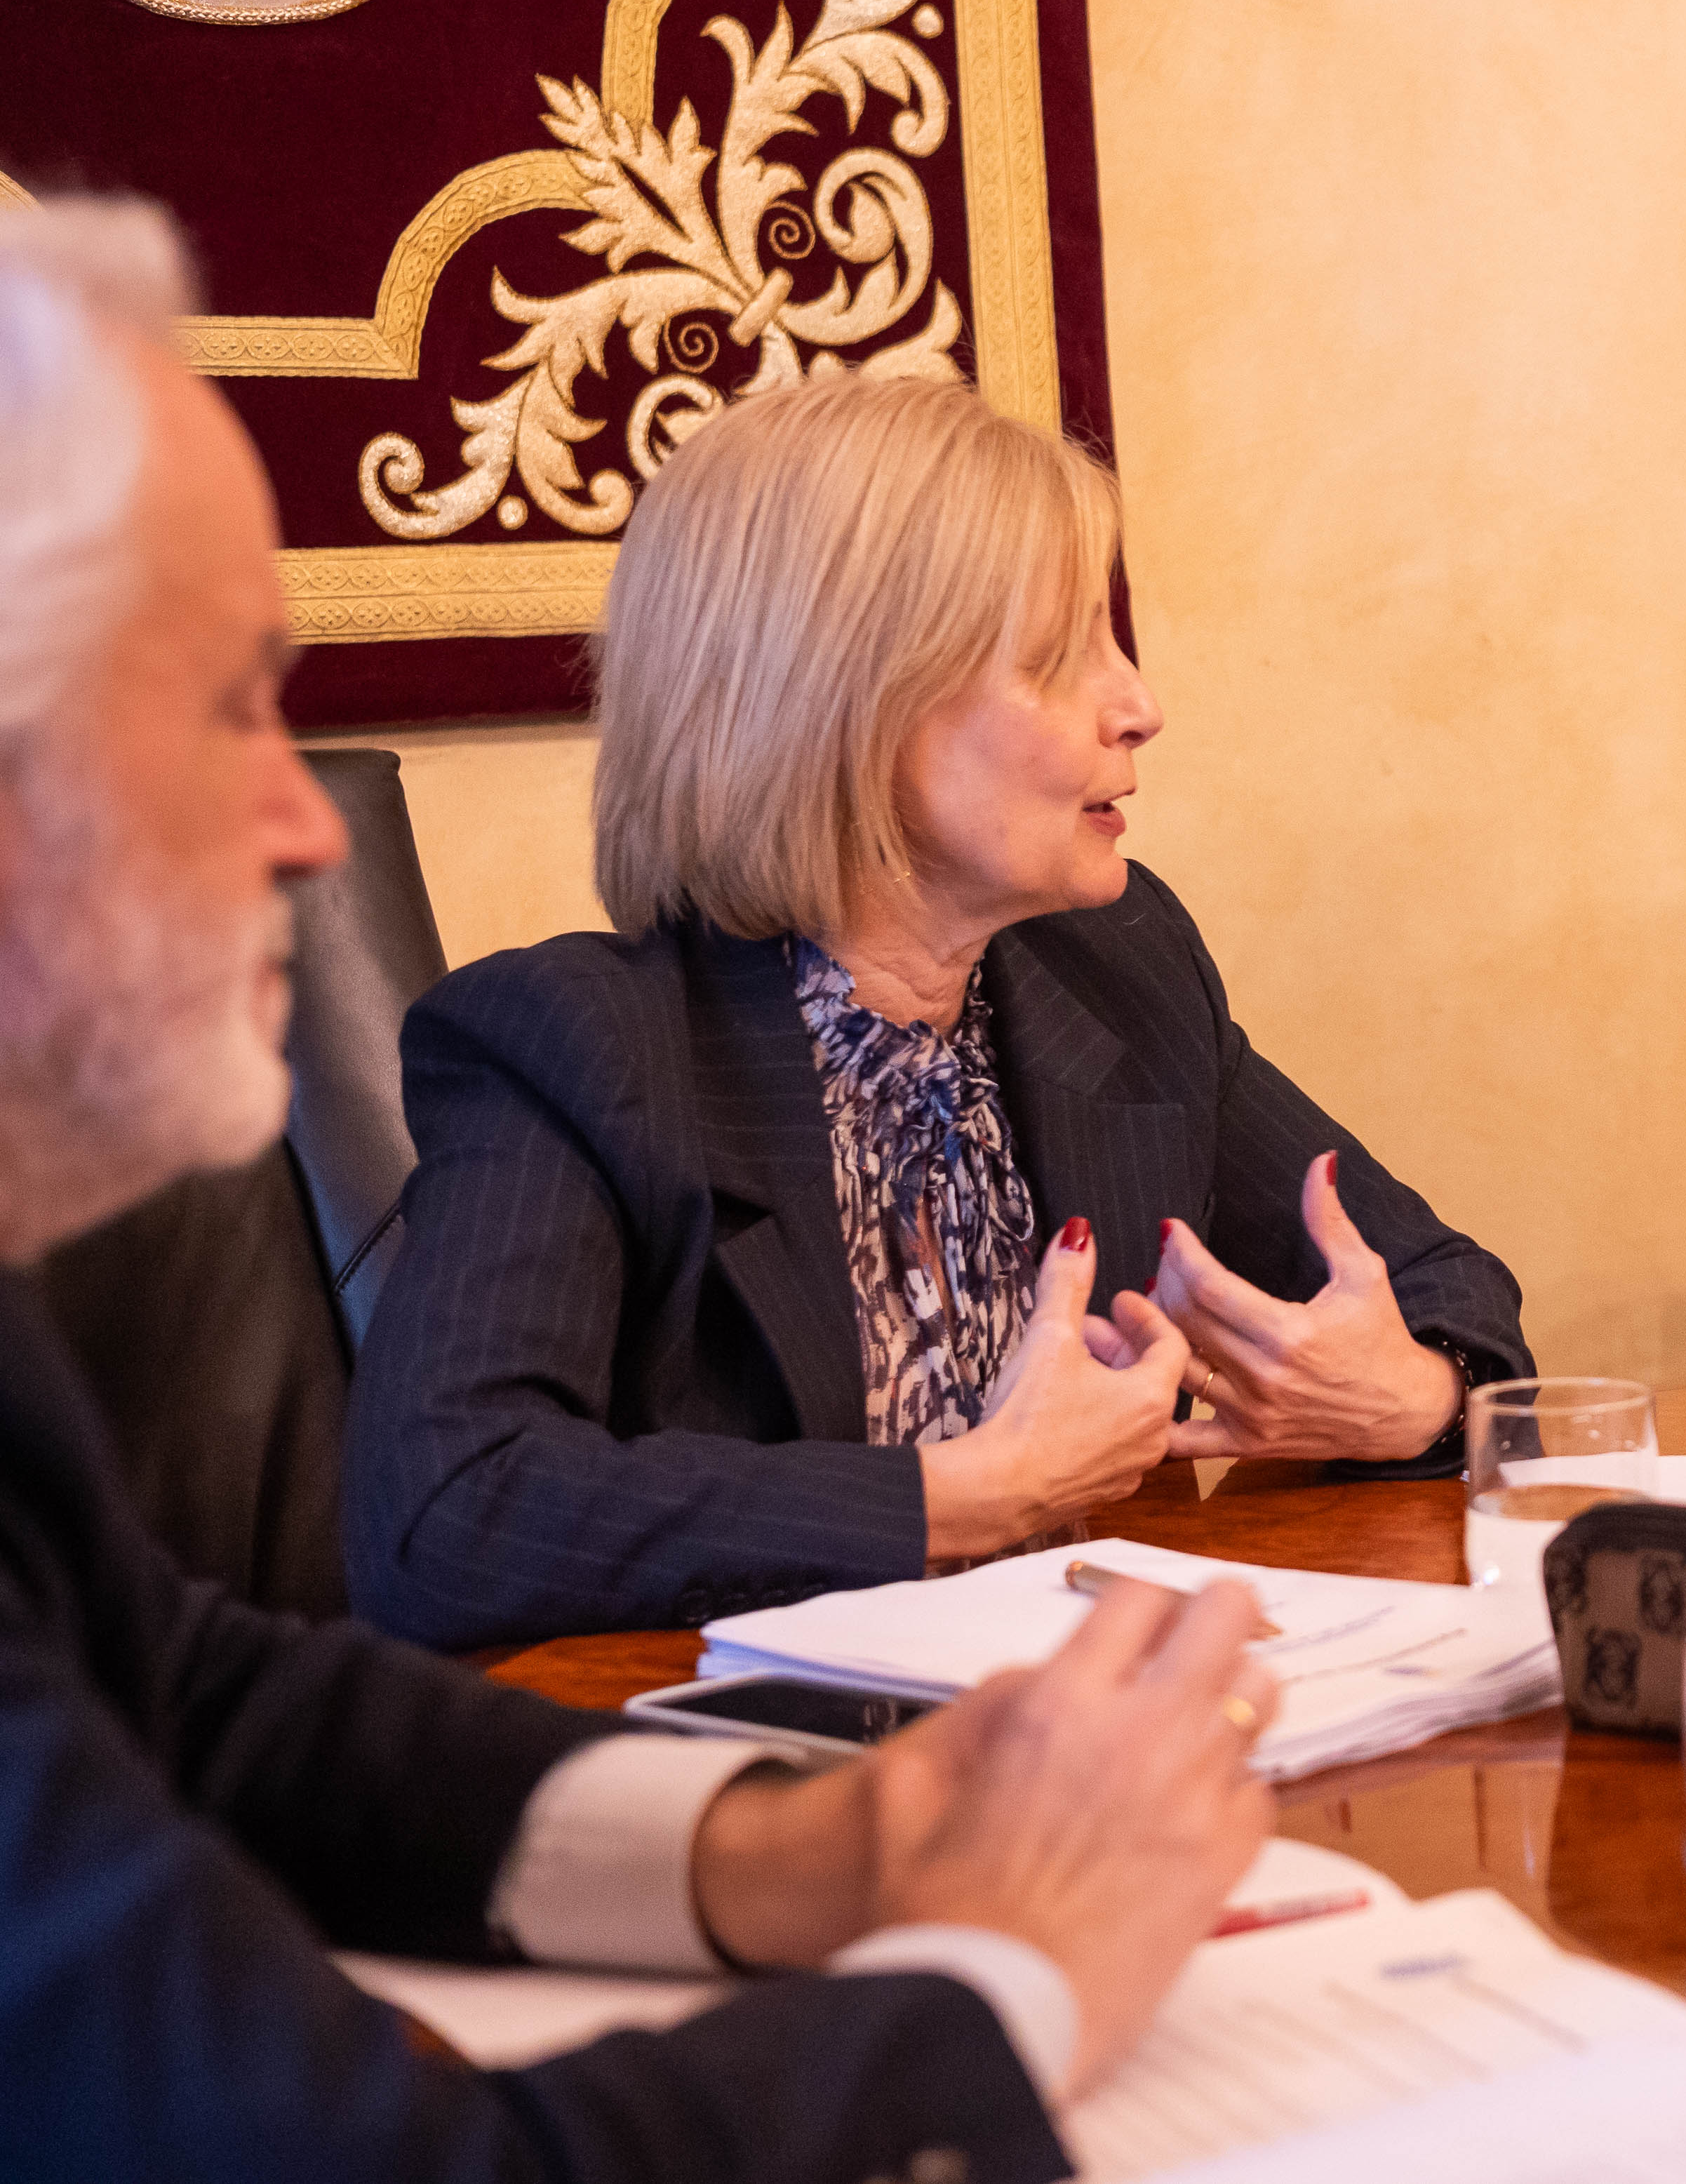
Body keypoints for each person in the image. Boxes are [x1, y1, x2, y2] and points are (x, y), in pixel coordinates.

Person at [0, 195, 1282, 2180]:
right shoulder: (584, 1042)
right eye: (221, 707)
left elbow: (199, 1697)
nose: (304, 823)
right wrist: (1003, 1987)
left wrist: (804, 1838)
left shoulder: (1114, 973)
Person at [342, 373, 1533, 1651]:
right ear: (849, 703)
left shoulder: (1115, 969)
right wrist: (967, 1494)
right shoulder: (577, 1047)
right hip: (777, 1798)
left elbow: (1442, 1286)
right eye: (1059, 654)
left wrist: (1405, 1396)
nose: (1139, 705)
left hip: (1096, 1754)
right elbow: (447, 1517)